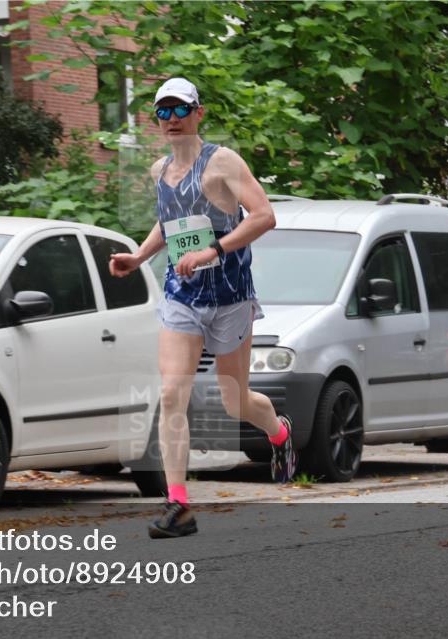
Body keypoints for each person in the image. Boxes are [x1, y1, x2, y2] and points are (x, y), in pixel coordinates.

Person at [108, 77, 296, 539]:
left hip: (231, 298)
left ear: (198, 113)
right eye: (162, 112)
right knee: (173, 393)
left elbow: (265, 216)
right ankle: (179, 506)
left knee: (236, 403)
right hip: (182, 297)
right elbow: (168, 222)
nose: (171, 120)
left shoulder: (223, 163)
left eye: (179, 110)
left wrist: (213, 251)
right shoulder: (159, 171)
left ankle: (279, 433)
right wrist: (140, 256)